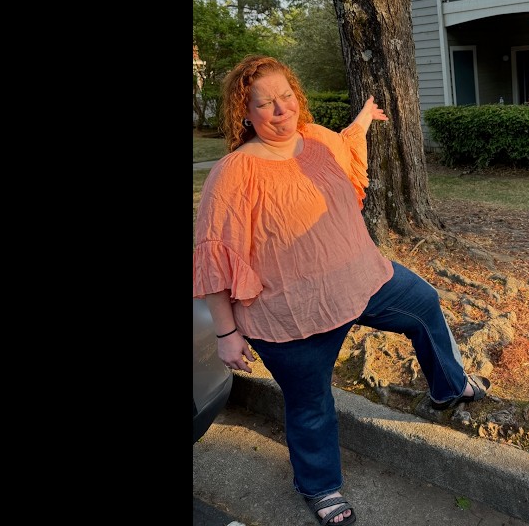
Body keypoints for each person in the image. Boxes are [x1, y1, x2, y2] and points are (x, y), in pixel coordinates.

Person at [192, 55, 490, 526]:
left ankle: (449, 387)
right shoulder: (232, 174)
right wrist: (227, 333)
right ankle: (320, 487)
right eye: (265, 103)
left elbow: (346, 148)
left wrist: (362, 121)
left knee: (424, 304)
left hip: (362, 279)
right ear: (243, 113)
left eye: (286, 96)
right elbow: (213, 258)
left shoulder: (314, 140)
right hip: (288, 313)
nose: (280, 109)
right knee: (311, 405)